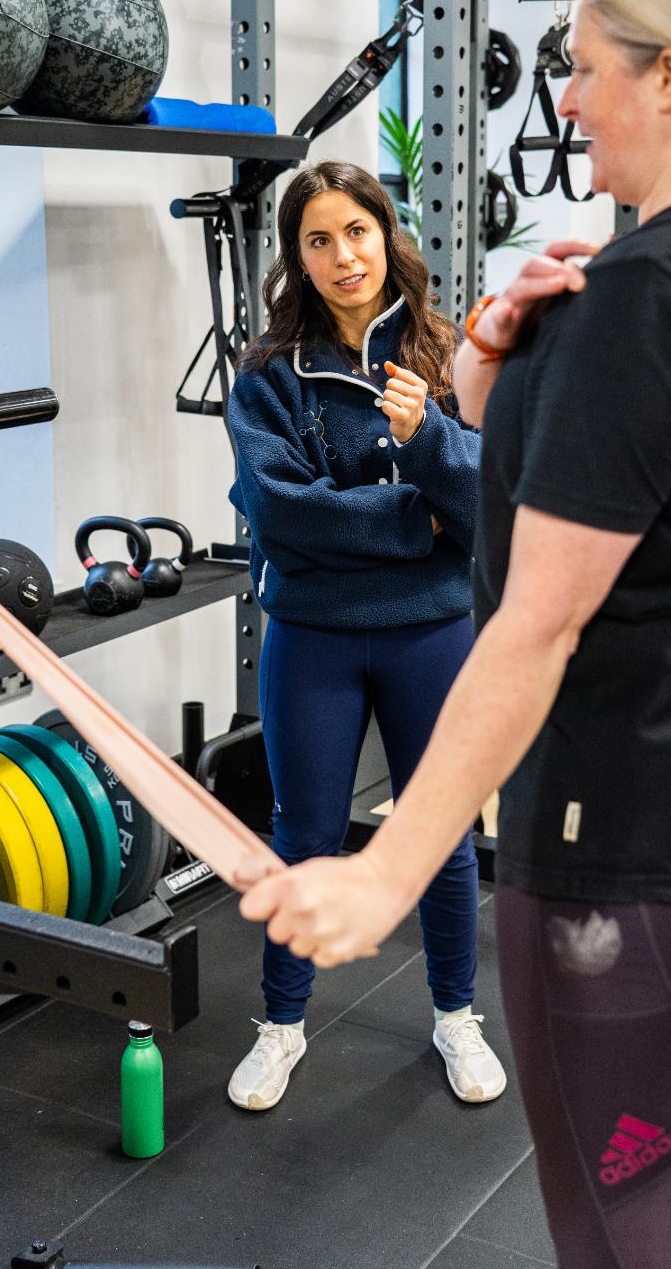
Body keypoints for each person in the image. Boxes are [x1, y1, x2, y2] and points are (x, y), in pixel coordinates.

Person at [237, 0, 671, 1268]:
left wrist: (387, 870)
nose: (563, 99)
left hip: (623, 801)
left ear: (669, 75)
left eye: (581, 66)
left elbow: (538, 619)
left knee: (618, 1183)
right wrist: (494, 365)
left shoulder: (642, 294)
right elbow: (590, 477)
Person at [225, 159, 507, 1112]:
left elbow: (487, 505)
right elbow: (282, 515)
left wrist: (426, 441)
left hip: (432, 633)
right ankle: (281, 1025)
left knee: (442, 836)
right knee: (303, 839)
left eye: (357, 231)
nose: (344, 255)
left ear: (386, 235)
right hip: (314, 635)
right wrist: (416, 522)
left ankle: (456, 1015)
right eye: (319, 240)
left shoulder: (450, 352)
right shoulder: (266, 377)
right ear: (297, 260)